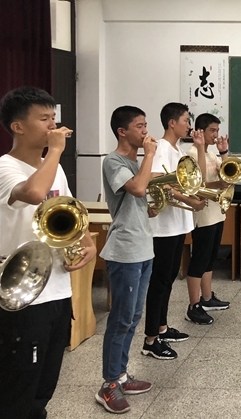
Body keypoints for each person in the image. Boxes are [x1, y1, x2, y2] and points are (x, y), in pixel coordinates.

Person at [0, 86, 96, 419]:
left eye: (54, 118)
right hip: (25, 295)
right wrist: (56, 151)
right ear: (18, 126)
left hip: (58, 290)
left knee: (44, 387)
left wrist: (87, 241)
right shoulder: (4, 168)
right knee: (19, 388)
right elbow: (35, 192)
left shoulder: (54, 167)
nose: (53, 126)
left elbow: (69, 207)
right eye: (44, 119)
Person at [95, 106, 158, 413]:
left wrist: (153, 206)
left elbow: (144, 201)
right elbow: (138, 188)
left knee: (133, 317)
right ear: (122, 131)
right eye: (140, 126)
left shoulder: (134, 163)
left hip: (144, 249)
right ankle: (108, 384)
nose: (145, 131)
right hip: (125, 251)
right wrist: (149, 156)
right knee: (121, 319)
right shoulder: (114, 161)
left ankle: (121, 374)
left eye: (146, 125)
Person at [141, 102, 206, 360]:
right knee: (159, 281)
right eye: (186, 120)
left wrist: (200, 147)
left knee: (168, 279)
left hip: (178, 224)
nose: (189, 125)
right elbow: (157, 182)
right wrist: (190, 201)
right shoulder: (161, 148)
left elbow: (191, 180)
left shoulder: (177, 149)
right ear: (172, 122)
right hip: (163, 228)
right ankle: (150, 340)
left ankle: (162, 327)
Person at [184, 113, 231, 325]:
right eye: (212, 130)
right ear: (201, 131)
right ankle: (193, 306)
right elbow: (198, 183)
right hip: (202, 214)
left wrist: (224, 153)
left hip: (216, 212)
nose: (216, 134)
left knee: (210, 257)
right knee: (200, 258)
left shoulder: (211, 154)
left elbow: (228, 175)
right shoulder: (192, 153)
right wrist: (217, 185)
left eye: (217, 130)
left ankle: (207, 297)